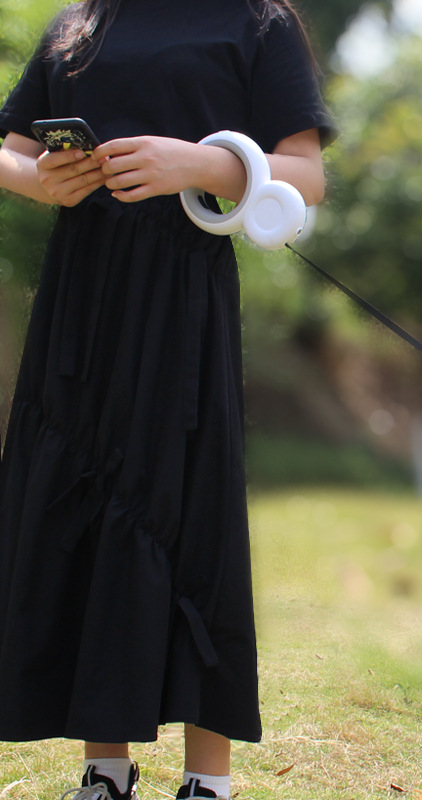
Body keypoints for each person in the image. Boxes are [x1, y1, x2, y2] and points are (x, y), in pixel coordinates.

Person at [0, 0, 334, 798]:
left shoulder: (257, 22)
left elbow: (307, 174)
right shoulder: (78, 24)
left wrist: (203, 165)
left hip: (183, 300)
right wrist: (43, 182)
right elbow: (7, 151)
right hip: (80, 304)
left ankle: (206, 783)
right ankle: (103, 771)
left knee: (190, 519)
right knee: (78, 512)